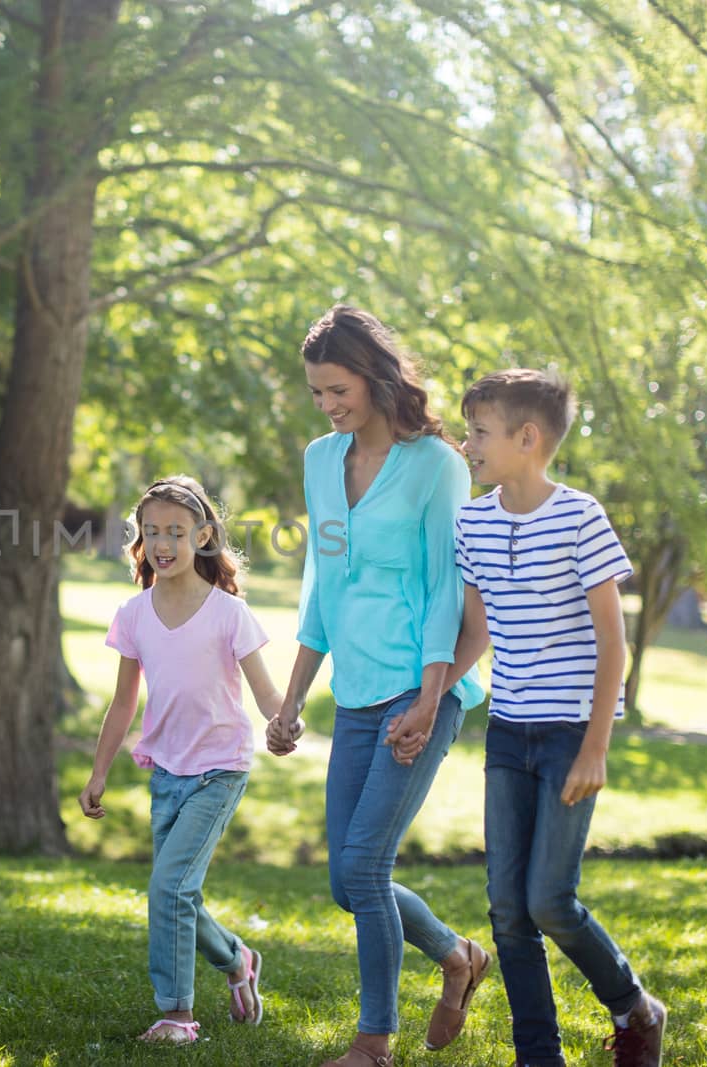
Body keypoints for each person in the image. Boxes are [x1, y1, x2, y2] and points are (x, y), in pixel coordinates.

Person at [266, 305, 490, 1067]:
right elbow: (319, 587)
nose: (328, 405)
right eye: (317, 392)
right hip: (356, 692)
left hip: (418, 688)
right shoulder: (319, 461)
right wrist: (293, 696)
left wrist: (430, 698)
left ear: (375, 375)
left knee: (364, 867)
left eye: (338, 388)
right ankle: (456, 954)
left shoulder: (437, 465)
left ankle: (374, 1041)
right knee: (344, 880)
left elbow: (442, 589)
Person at [454, 369, 665, 1067]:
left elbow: (614, 640)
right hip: (508, 731)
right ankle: (537, 1055)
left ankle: (636, 1006)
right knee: (507, 909)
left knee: (548, 899)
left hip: (572, 730)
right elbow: (477, 632)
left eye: (480, 431)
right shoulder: (473, 520)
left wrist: (596, 745)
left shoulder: (581, 516)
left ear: (527, 437)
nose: (469, 443)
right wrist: (431, 696)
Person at [78, 476, 285, 1045]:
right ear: (140, 541)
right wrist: (98, 771)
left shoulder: (228, 614)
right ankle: (238, 960)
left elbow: (265, 691)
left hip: (221, 768)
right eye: (152, 532)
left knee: (167, 887)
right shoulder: (134, 614)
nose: (163, 542)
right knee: (180, 893)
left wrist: (282, 720)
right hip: (166, 771)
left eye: (176, 531)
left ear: (204, 536)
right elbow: (123, 703)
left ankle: (176, 1014)